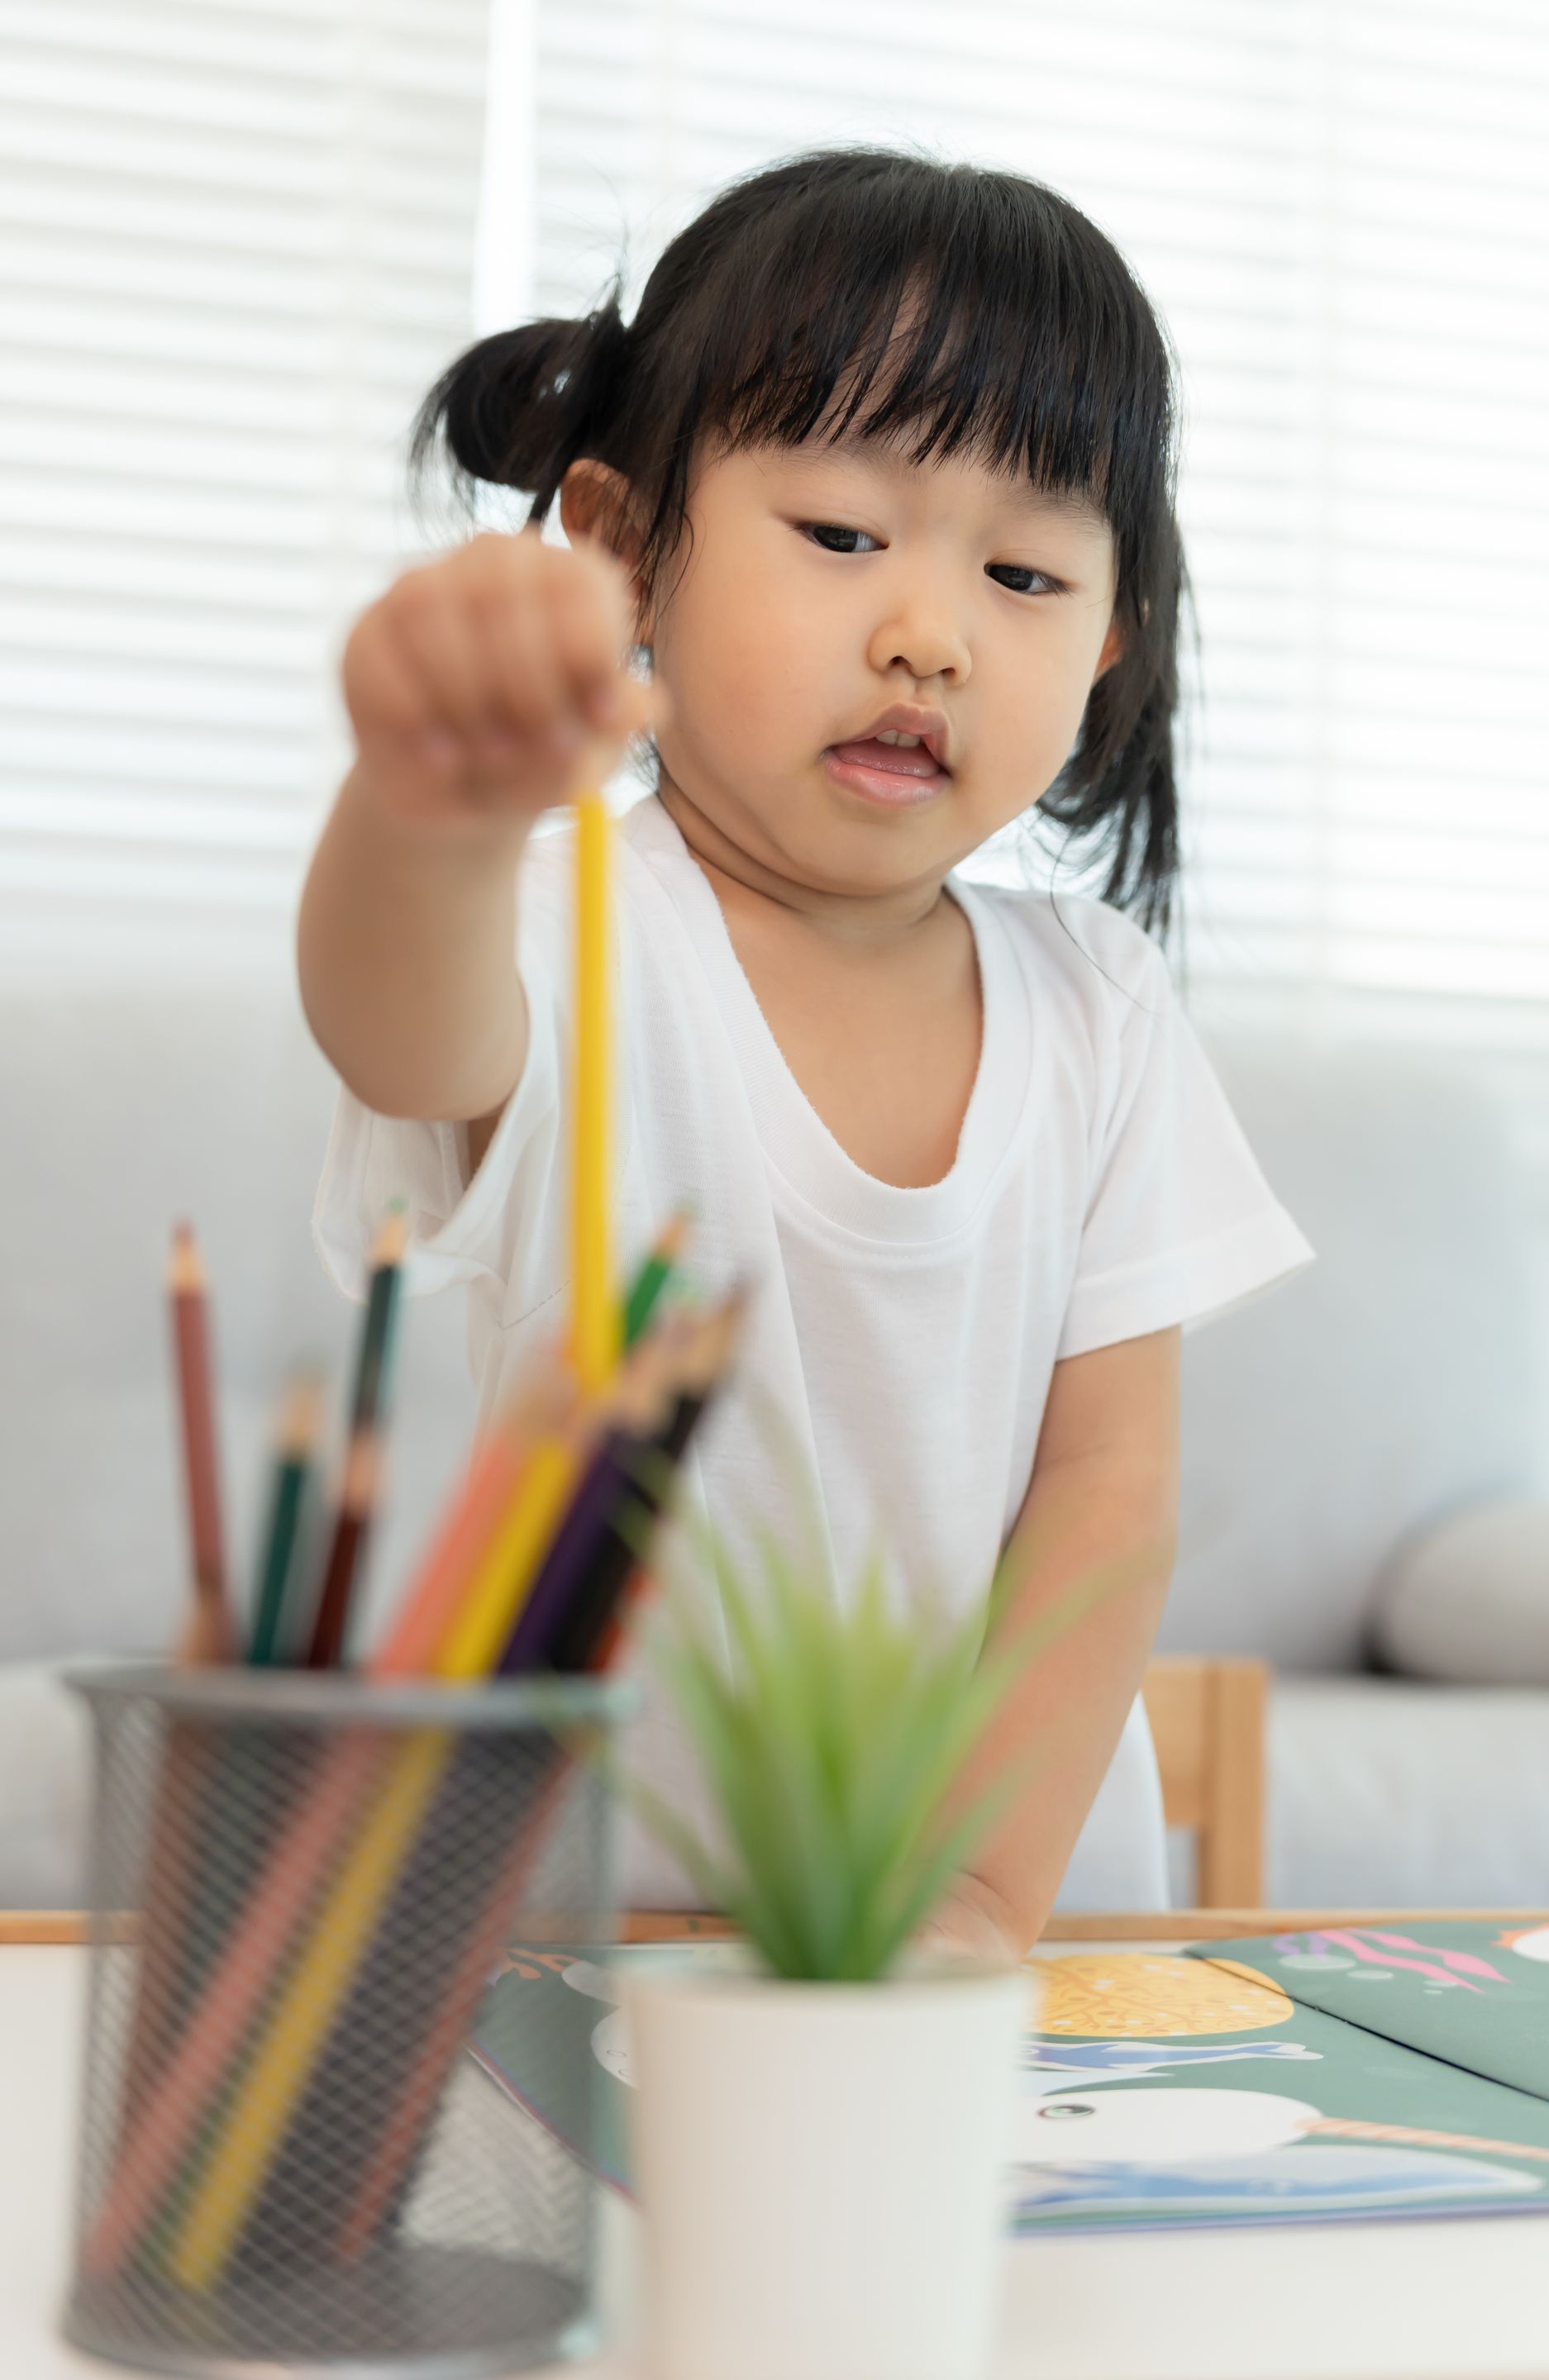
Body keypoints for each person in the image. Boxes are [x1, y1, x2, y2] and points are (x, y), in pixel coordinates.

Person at [302, 149, 1312, 1957]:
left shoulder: (1099, 1012)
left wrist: (980, 1894)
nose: (929, 635)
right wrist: (421, 811)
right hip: (617, 1942)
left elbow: (1108, 1498)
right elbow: (399, 1028)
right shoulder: (572, 928)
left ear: (1108, 644)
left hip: (1003, 1946)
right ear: (624, 550)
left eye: (1022, 571)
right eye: (843, 535)